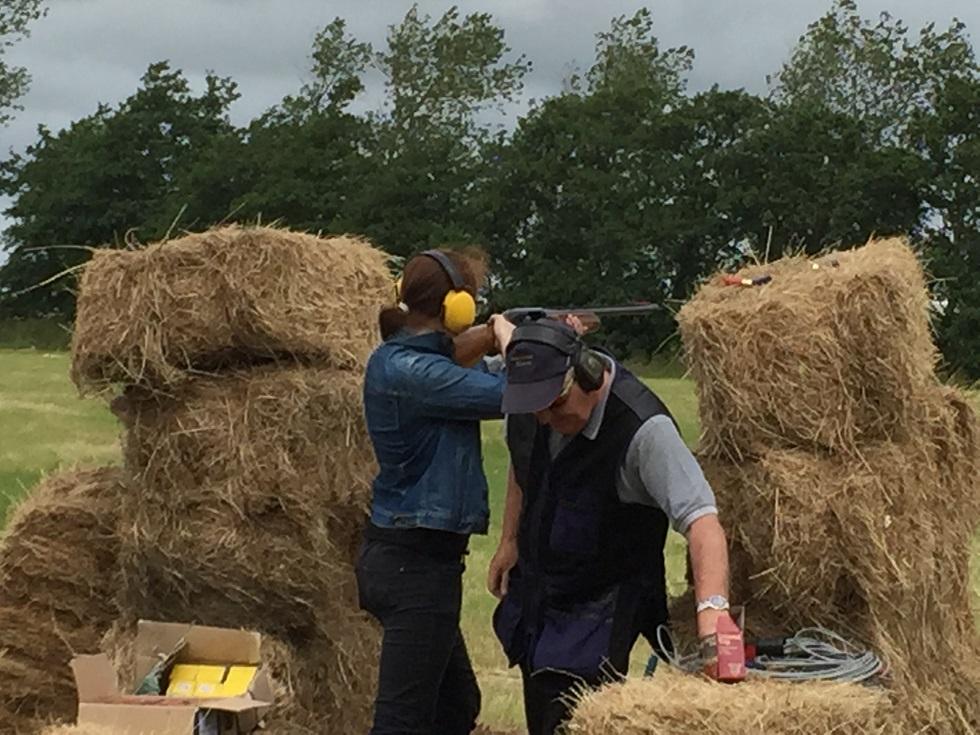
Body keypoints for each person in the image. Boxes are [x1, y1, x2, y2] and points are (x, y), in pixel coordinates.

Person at [487, 319, 732, 735]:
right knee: (542, 705)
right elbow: (521, 459)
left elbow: (702, 520)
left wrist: (713, 613)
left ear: (588, 373)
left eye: (556, 404)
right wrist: (509, 539)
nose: (545, 418)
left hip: (603, 602)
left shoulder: (644, 430)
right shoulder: (536, 405)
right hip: (541, 591)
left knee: (574, 718)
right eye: (536, 409)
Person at [355, 248, 515, 735]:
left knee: (455, 707)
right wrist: (513, 343)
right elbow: (519, 393)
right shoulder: (410, 371)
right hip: (415, 566)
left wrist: (496, 337)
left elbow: (470, 372)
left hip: (415, 559)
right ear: (457, 308)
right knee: (401, 723)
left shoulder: (413, 363)